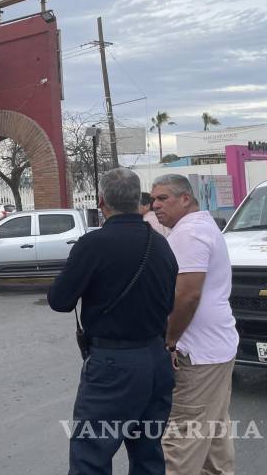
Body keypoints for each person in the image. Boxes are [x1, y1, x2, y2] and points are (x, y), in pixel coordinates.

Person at [49, 168, 179, 474]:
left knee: (91, 455)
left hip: (113, 365)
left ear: (101, 202)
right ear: (139, 201)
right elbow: (170, 302)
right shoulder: (161, 245)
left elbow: (59, 301)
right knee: (148, 451)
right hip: (155, 360)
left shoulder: (93, 244)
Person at [151, 174, 239, 475]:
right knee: (213, 433)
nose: (155, 205)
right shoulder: (202, 227)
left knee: (181, 440)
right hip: (216, 347)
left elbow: (187, 295)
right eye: (153, 199)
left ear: (185, 198)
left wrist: (170, 341)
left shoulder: (189, 232)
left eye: (163, 198)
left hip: (197, 352)